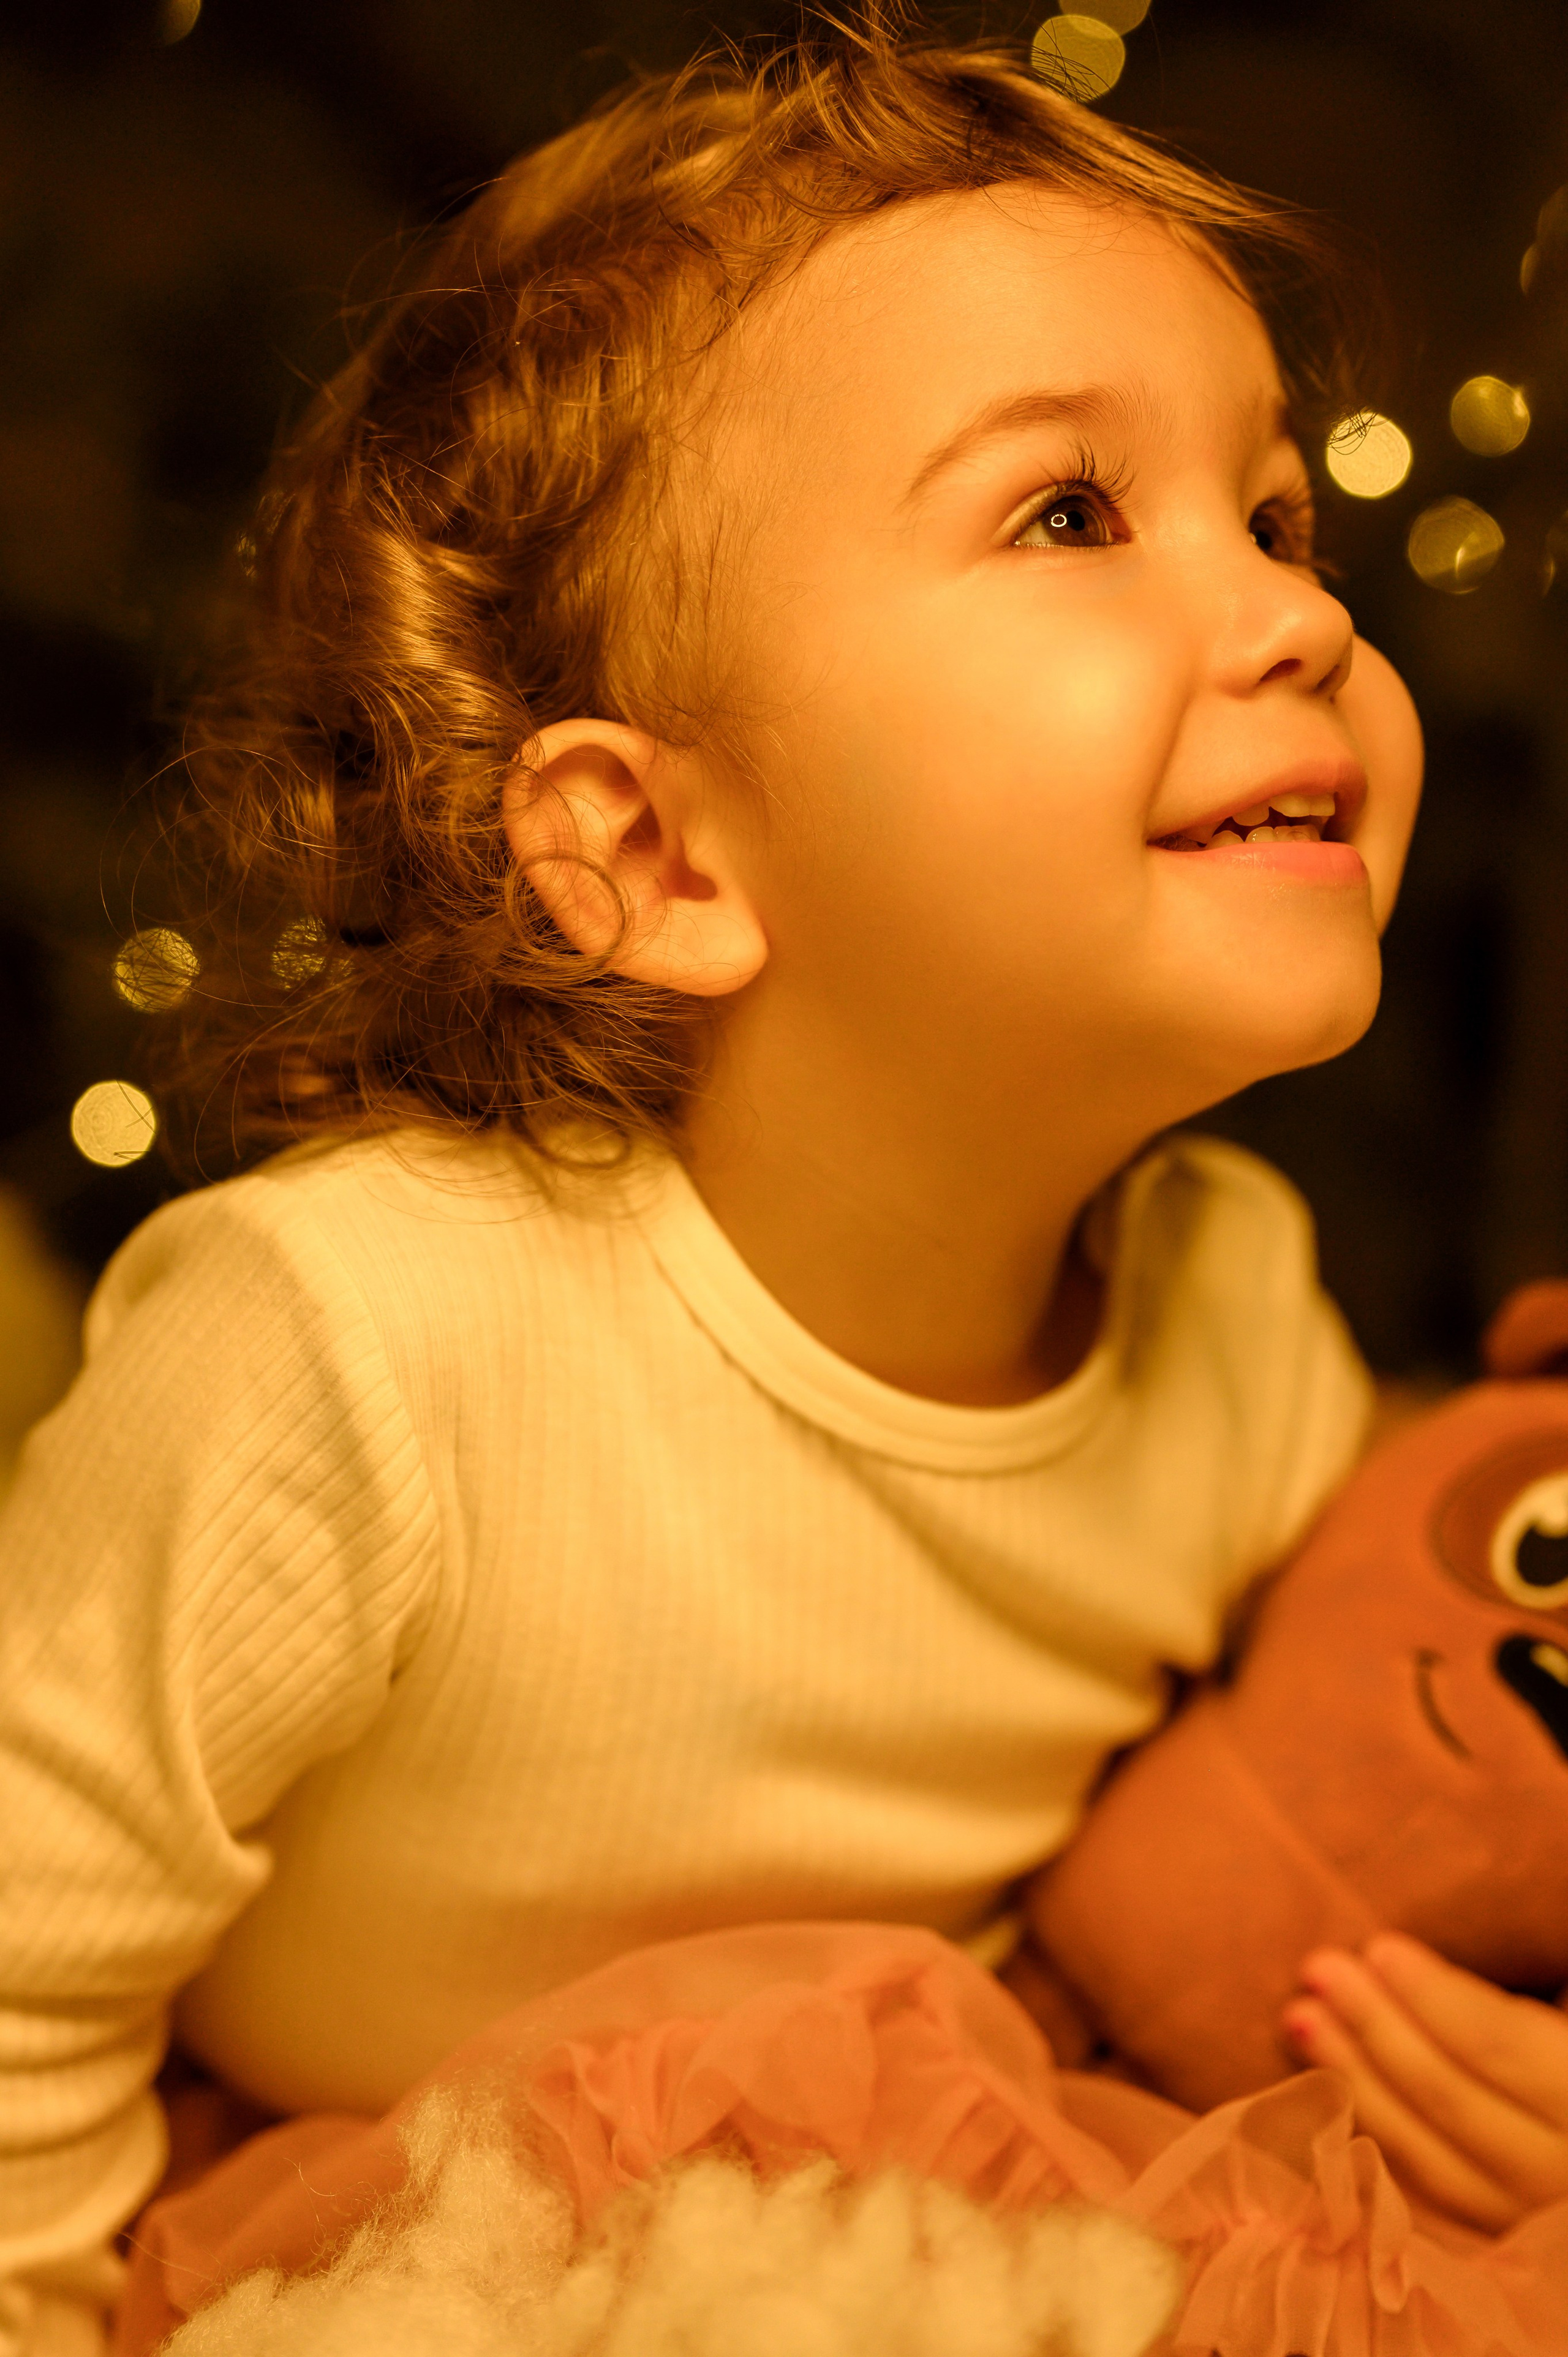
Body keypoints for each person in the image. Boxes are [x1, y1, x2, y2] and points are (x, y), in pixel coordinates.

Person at [7, 12, 1542, 2351]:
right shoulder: (355, 1344)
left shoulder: (1237, 1317)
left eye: (1274, 512)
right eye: (1067, 513)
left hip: (907, 2228)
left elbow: (1396, 1801)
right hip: (374, 2228)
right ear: (656, 848)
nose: (1305, 612)